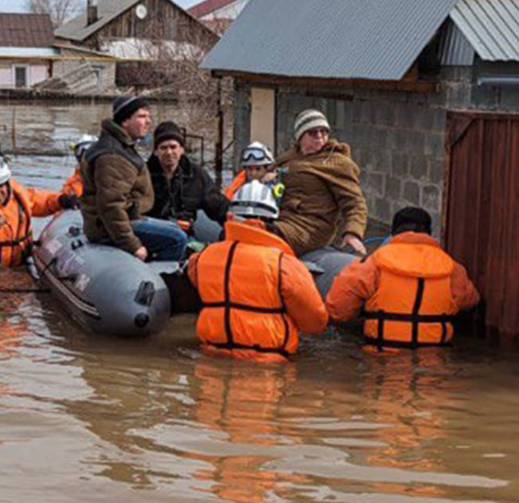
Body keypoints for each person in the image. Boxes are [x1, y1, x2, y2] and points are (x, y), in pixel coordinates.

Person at [186, 180, 329, 361]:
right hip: (267, 363)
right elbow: (315, 322)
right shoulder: (285, 265)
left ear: (231, 216)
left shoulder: (201, 259)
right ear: (271, 220)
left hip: (212, 354)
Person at [326, 206, 481, 348]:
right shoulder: (452, 267)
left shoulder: (373, 263)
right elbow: (470, 300)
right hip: (433, 354)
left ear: (393, 232)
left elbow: (338, 308)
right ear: (428, 232)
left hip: (381, 353)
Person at [80, 93, 190, 262]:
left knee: (175, 228)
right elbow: (110, 207)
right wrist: (133, 245)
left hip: (128, 217)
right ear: (125, 121)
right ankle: (162, 281)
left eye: (149, 117)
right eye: (142, 116)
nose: (148, 122)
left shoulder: (120, 146)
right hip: (105, 228)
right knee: (177, 238)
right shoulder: (112, 155)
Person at [272, 109, 369, 257]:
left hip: (310, 227)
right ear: (300, 137)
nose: (319, 136)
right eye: (312, 132)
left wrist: (353, 232)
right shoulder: (289, 158)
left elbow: (355, 202)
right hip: (282, 216)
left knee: (266, 236)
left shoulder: (336, 163)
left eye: (323, 131)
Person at [0, 150, 70, 271]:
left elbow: (43, 201)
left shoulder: (19, 196)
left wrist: (62, 200)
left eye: (0, 185)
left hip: (20, 263)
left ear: (6, 183)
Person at [148, 120, 228, 231]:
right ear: (155, 151)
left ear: (182, 150)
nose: (169, 152)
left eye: (173, 147)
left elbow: (218, 206)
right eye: (163, 148)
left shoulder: (195, 174)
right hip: (154, 235)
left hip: (186, 236)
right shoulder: (144, 174)